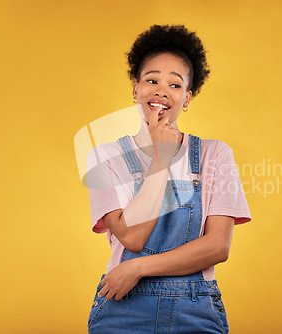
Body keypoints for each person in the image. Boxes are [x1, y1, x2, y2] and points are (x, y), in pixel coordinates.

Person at [86, 24, 251, 334]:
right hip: (123, 307)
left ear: (187, 97)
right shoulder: (103, 157)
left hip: (195, 308)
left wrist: (136, 268)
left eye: (175, 85)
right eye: (152, 80)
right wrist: (160, 161)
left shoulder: (215, 155)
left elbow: (217, 246)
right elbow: (133, 238)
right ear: (135, 89)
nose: (162, 91)